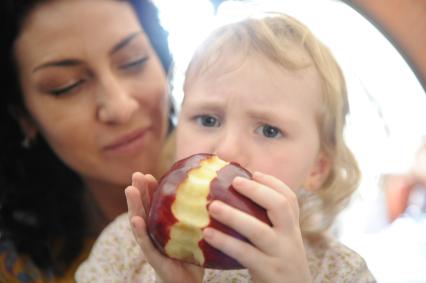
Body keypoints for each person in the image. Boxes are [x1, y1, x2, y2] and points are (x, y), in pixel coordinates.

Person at [76, 12, 376, 282]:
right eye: (208, 119)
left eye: (269, 130)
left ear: (316, 168)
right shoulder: (125, 246)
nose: (227, 150)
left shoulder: (341, 271)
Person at [0, 0, 175, 282]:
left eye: (134, 59)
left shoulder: (247, 172)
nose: (120, 107)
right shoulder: (17, 265)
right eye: (67, 85)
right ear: (24, 117)